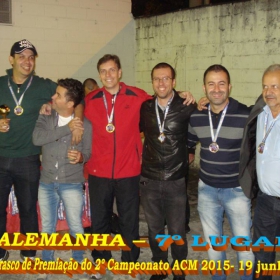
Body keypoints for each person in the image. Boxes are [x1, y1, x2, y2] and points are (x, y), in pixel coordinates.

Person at [84, 54, 194, 280]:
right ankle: (102, 261)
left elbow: (163, 95)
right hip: (98, 171)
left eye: (112, 70)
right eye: (103, 71)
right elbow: (72, 109)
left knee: (129, 220)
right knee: (100, 221)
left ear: (120, 72)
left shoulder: (138, 97)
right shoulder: (91, 99)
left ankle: (129, 261)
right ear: (99, 75)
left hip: (129, 170)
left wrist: (183, 93)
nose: (108, 75)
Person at [0, 39, 83, 262]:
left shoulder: (44, 86)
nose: (27, 61)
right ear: (11, 60)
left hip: (27, 158)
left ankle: (29, 252)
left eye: (31, 57)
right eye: (21, 57)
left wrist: (78, 122)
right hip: (0, 157)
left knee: (28, 208)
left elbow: (76, 97)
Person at [188, 64, 254, 280]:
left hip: (236, 190)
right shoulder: (197, 117)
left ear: (230, 87)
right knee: (214, 247)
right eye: (211, 84)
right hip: (206, 190)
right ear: (204, 88)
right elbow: (188, 144)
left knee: (243, 247)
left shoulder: (245, 115)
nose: (216, 89)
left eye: (221, 83)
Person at [140, 62, 196, 280]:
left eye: (166, 78)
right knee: (154, 230)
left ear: (174, 82)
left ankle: (179, 268)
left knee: (177, 230)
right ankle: (160, 267)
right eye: (157, 79)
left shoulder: (187, 105)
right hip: (149, 178)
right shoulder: (145, 107)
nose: (161, 83)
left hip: (175, 178)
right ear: (152, 82)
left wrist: (190, 148)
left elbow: (203, 124)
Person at [32, 78, 91, 280]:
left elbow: (88, 153)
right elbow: (37, 139)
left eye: (58, 95)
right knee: (47, 227)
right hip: (46, 182)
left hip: (72, 183)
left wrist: (81, 157)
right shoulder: (46, 116)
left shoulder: (86, 125)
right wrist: (68, 128)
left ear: (70, 103)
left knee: (76, 226)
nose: (53, 97)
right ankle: (46, 265)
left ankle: (79, 262)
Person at [239, 64, 280, 280]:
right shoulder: (260, 112)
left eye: (275, 86)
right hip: (265, 201)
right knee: (262, 254)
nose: (269, 91)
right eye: (265, 86)